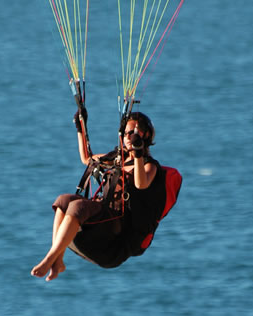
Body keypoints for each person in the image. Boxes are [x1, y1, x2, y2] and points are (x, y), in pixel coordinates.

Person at [31, 110, 168, 281]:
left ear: (145, 136)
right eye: (126, 132)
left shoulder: (150, 166)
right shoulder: (117, 158)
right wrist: (81, 128)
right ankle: (58, 260)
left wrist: (139, 153)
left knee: (78, 207)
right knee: (63, 201)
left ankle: (49, 258)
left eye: (133, 132)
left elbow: (141, 183)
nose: (128, 136)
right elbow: (87, 158)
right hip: (104, 219)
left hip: (116, 235)